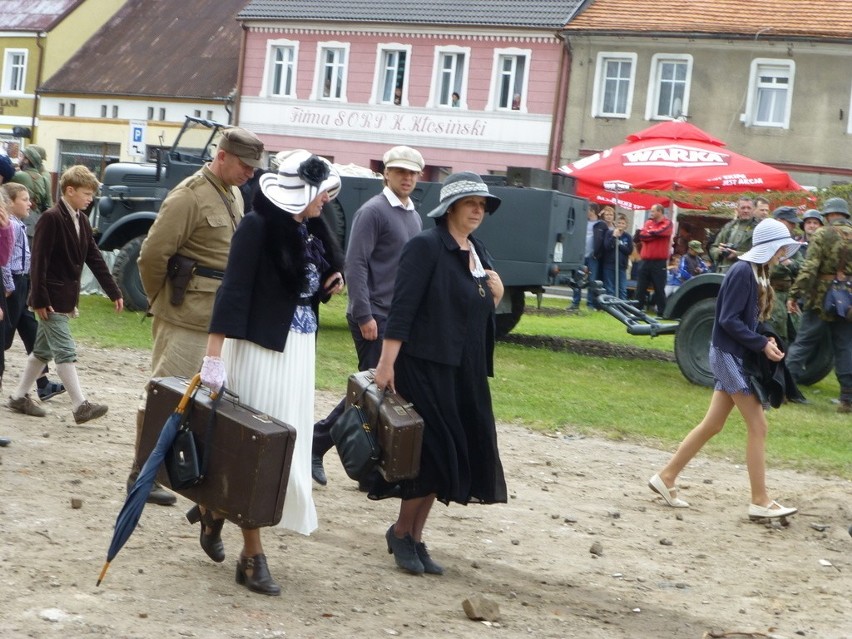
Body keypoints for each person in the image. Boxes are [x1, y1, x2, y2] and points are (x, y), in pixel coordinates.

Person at [199, 149, 345, 595]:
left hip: (298, 351)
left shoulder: (308, 227)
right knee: (259, 450)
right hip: (260, 351)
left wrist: (325, 284)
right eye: (322, 194)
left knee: (284, 451)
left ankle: (214, 509)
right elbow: (234, 291)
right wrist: (213, 357)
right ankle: (252, 555)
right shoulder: (257, 226)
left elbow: (295, 287)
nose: (327, 202)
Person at [372, 172, 508, 575]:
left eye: (482, 205)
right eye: (471, 203)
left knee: (447, 458)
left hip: (463, 370)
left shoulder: (476, 249)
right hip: (425, 366)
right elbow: (403, 309)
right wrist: (386, 362)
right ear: (451, 207)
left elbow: (476, 304)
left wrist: (495, 295)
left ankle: (414, 535)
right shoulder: (426, 247)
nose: (478, 211)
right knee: (431, 455)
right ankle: (401, 532)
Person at [129, 127, 264, 506]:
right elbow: (152, 255)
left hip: (217, 316)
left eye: (254, 168)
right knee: (165, 392)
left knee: (200, 399)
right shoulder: (189, 196)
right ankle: (142, 473)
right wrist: (164, 298)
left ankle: (169, 468)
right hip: (185, 314)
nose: (249, 174)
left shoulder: (233, 193)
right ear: (222, 156)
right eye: (244, 165)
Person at [649, 218, 801, 520]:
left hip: (730, 355)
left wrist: (764, 339)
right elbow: (728, 320)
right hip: (728, 356)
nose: (784, 253)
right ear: (771, 246)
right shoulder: (744, 271)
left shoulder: (756, 271)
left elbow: (742, 321)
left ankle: (666, 477)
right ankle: (759, 501)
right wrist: (760, 343)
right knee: (758, 426)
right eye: (782, 247)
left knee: (713, 425)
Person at [311, 145, 425, 486]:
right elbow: (356, 263)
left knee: (381, 393)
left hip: (397, 319)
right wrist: (363, 314)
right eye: (400, 171)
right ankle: (317, 444)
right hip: (374, 316)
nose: (406, 178)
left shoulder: (413, 215)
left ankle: (368, 468)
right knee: (370, 392)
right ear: (385, 174)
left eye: (412, 173)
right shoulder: (373, 211)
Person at [6, 165, 123, 423]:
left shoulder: (81, 219)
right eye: (86, 193)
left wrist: (114, 290)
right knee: (65, 350)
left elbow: (94, 257)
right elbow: (39, 261)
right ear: (69, 191)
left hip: (64, 298)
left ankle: (18, 397)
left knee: (41, 353)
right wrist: (39, 298)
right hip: (50, 300)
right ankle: (80, 405)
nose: (90, 198)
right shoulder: (51, 217)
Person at [787, 197, 852, 413]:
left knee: (804, 342)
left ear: (828, 215)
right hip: (848, 300)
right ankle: (847, 399)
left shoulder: (823, 234)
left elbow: (810, 268)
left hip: (821, 299)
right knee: (845, 346)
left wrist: (794, 294)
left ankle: (784, 388)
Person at [1, 183, 64, 400]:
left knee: (32, 332)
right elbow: (5, 261)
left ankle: (43, 384)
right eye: (25, 199)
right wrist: (9, 287)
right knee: (4, 338)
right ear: (9, 202)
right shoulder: (11, 226)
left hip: (22, 284)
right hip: (13, 286)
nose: (30, 203)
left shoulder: (19, 225)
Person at [767, 206, 804, 341]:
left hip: (788, 296)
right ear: (779, 221)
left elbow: (802, 266)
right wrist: (784, 266)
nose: (794, 226)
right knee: (775, 335)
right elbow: (768, 269)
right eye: (790, 223)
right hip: (771, 295)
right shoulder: (765, 240)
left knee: (794, 334)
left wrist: (790, 264)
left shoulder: (791, 243)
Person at [634, 203, 673, 316]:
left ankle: (662, 312)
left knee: (659, 288)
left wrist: (651, 232)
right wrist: (653, 234)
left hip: (658, 262)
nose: (651, 213)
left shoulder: (668, 223)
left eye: (653, 211)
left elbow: (662, 232)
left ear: (660, 212)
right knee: (640, 287)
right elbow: (642, 236)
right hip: (645, 260)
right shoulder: (648, 222)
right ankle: (636, 310)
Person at [10, 147, 53, 239]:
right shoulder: (43, 178)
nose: (19, 159)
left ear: (27, 160)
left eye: (21, 156)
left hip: (25, 219)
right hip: (37, 220)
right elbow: (49, 202)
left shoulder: (20, 176)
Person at [710, 197, 757, 273]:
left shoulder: (759, 228)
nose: (746, 210)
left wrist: (737, 255)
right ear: (737, 209)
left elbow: (761, 254)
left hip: (746, 272)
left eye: (749, 208)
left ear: (754, 210)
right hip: (724, 272)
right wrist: (719, 251)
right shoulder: (728, 227)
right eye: (743, 208)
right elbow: (713, 248)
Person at [571, 203, 603, 310]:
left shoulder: (601, 225)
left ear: (593, 211)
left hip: (593, 258)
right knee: (577, 279)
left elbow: (602, 242)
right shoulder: (582, 223)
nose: (586, 212)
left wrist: (597, 254)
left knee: (592, 280)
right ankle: (575, 303)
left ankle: (590, 304)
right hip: (580, 257)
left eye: (588, 210)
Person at [601, 211, 632, 298]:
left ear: (626, 225)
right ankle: (610, 306)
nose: (621, 225)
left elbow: (629, 251)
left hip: (621, 266)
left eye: (623, 223)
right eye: (619, 223)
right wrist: (614, 237)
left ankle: (622, 307)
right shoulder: (609, 233)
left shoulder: (628, 237)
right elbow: (607, 247)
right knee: (609, 287)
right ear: (616, 223)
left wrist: (619, 244)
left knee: (622, 288)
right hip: (609, 265)